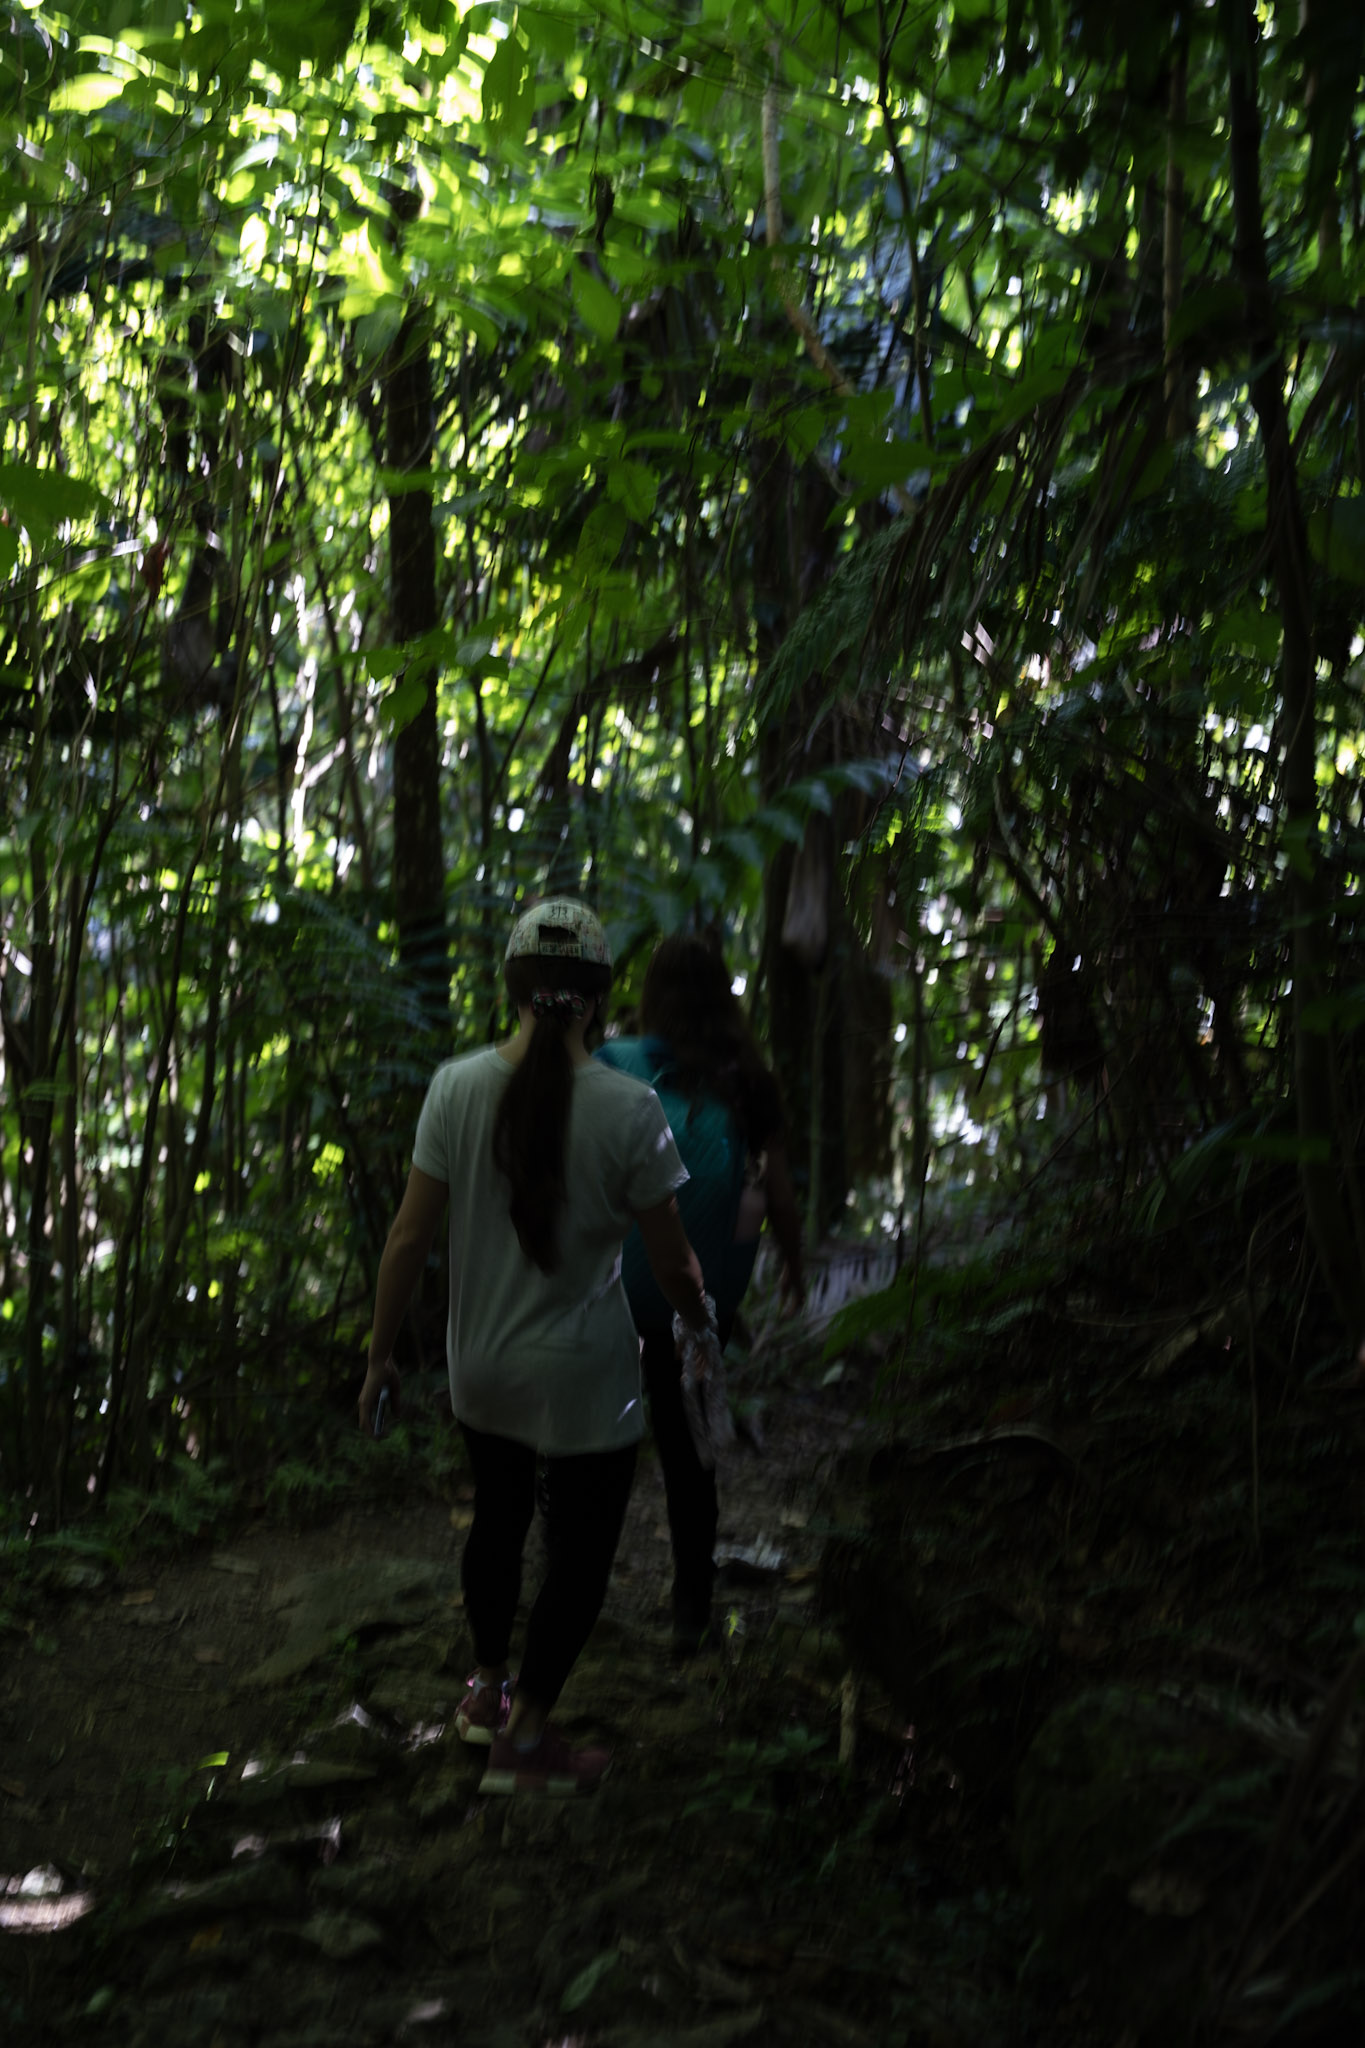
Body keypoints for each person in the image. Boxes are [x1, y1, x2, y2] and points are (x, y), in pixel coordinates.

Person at [358, 898, 710, 1796]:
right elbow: (671, 1263)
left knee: (499, 1517)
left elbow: (406, 1240)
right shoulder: (632, 1109)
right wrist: (700, 1320)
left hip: (482, 1368)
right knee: (580, 1554)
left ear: (512, 991)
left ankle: (484, 1693)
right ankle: (528, 1734)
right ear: (598, 1000)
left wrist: (379, 1356)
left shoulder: (455, 1086)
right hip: (585, 1380)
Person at [596, 931, 805, 1654]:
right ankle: (690, 1613)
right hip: (697, 1302)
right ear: (724, 997)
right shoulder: (748, 1081)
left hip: (613, 1296)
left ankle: (577, 1603)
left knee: (600, 1452)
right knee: (690, 1460)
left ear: (652, 997)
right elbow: (772, 1192)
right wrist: (791, 1265)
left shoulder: (613, 1065)